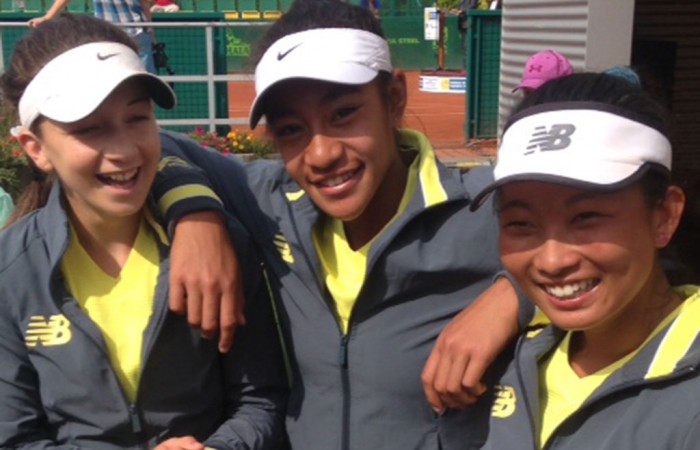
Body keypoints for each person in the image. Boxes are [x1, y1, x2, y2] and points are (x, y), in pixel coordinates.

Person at [151, 0, 533, 448]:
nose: (321, 154)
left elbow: (622, 248)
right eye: (291, 130)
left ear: (393, 98)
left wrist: (514, 297)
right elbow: (150, 144)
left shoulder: (484, 208)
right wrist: (197, 216)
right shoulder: (269, 200)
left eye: (343, 114)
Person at [0, 13, 286, 449]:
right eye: (88, 129)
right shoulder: (11, 271)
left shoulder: (226, 242)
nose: (123, 150)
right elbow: (14, 435)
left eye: (137, 118)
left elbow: (261, 398)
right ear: (35, 149)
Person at [473, 72, 700, 449]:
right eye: (521, 224)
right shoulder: (508, 358)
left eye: (586, 218)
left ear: (664, 217)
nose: (552, 260)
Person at [28, 0, 157, 74]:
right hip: (117, 33)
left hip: (130, 32)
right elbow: (144, 4)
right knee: (134, 78)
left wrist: (49, 17)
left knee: (139, 79)